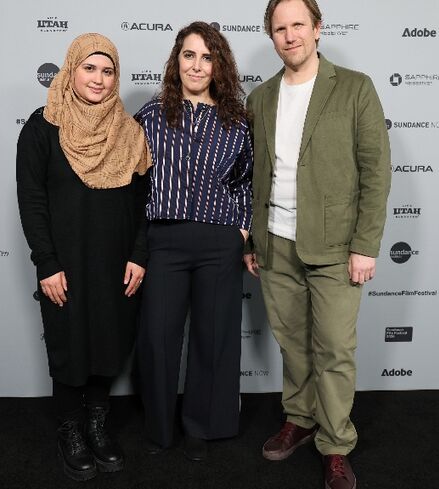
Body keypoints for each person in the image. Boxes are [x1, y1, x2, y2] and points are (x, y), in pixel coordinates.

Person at [244, 1, 391, 488]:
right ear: (272, 36)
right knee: (293, 345)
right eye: (280, 28)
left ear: (318, 29)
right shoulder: (260, 98)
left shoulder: (354, 87)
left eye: (298, 26)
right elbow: (254, 176)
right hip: (275, 244)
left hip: (335, 247)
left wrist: (365, 244)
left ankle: (335, 442)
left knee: (333, 349)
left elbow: (376, 171)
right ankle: (300, 419)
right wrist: (252, 238)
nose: (290, 36)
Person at [16, 33, 151, 482]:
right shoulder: (43, 126)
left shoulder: (130, 132)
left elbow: (145, 205)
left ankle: (97, 424)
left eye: (107, 70)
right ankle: (71, 429)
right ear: (71, 69)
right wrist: (46, 263)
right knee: (70, 344)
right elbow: (32, 199)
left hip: (116, 263)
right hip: (65, 263)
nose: (98, 78)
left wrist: (138, 254)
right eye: (89, 68)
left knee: (109, 342)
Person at [134, 21, 253, 462]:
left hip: (219, 242)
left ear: (218, 64)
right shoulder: (151, 115)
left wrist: (241, 230)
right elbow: (136, 182)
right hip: (164, 239)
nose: (197, 65)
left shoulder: (238, 122)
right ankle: (160, 428)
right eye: (189, 55)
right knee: (158, 338)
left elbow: (247, 181)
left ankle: (204, 426)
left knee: (214, 336)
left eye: (207, 57)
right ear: (176, 60)